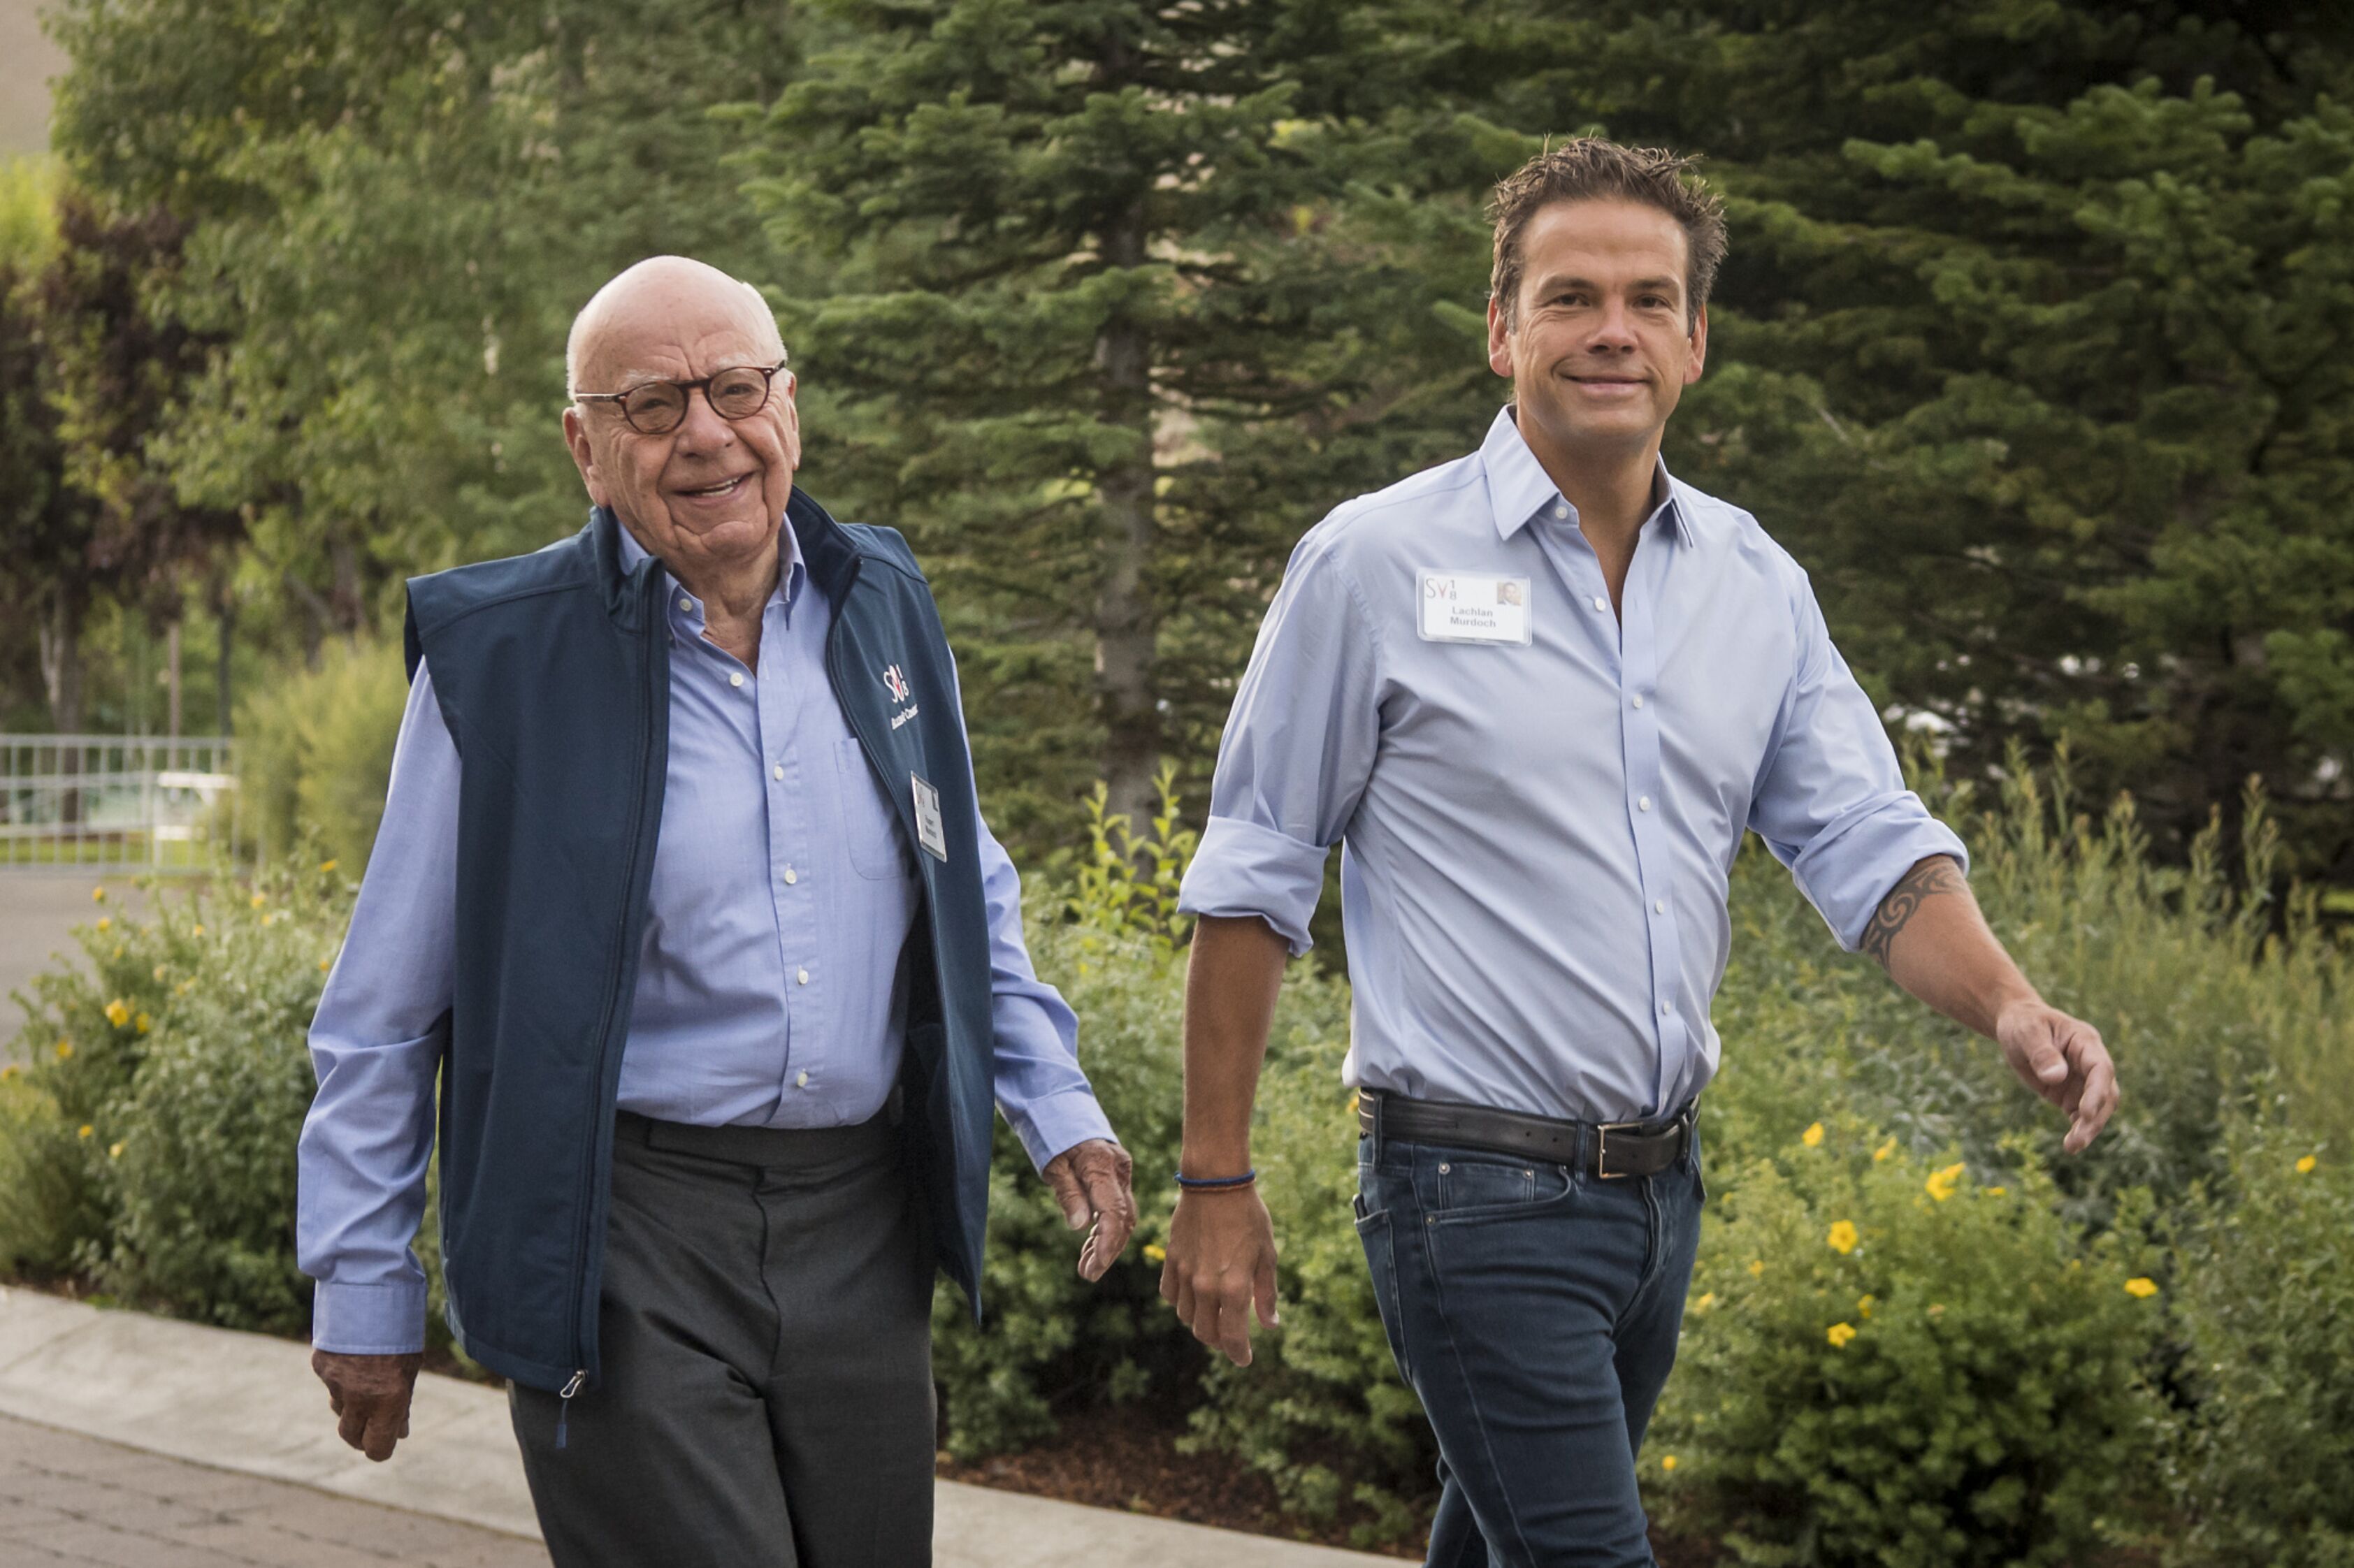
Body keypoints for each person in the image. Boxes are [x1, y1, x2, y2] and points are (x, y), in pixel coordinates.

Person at [1160, 141, 2118, 1568]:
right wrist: (1215, 1180)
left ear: (1694, 340)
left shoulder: (1754, 586)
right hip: (1467, 1192)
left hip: (1659, 1198)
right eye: (1569, 297)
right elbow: (1253, 876)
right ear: (1501, 331)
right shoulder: (1373, 566)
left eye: (1648, 299)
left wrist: (2011, 1004)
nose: (1612, 330)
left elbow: (1864, 841)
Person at [296, 256, 1136, 1567]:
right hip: (623, 1232)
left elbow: (964, 882)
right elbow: (387, 1008)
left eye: (737, 388)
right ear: (586, 446)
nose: (707, 433)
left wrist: (1054, 1103)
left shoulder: (884, 606)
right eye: (652, 404)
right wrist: (363, 1280)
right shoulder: (500, 662)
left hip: (863, 1225)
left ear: (786, 405)